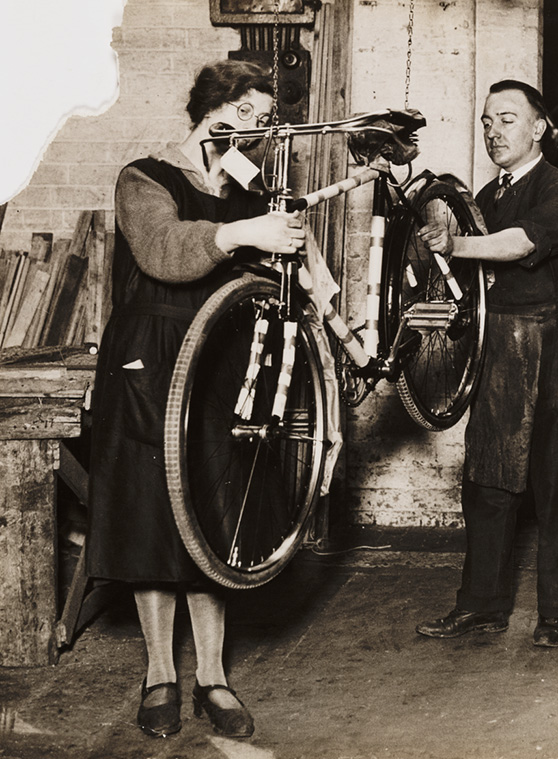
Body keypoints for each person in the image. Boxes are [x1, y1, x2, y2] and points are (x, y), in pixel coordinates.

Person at [87, 60, 307, 738]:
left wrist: (325, 301)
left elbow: (286, 262)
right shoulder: (145, 176)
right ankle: (160, 672)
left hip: (222, 359)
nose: (260, 132)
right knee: (152, 515)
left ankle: (212, 674)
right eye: (251, 116)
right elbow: (160, 250)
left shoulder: (248, 187)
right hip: (149, 360)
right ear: (217, 111)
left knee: (215, 517)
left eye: (267, 121)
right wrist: (243, 234)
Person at [415, 80, 558, 648]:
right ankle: (482, 607)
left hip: (553, 344)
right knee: (487, 479)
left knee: (556, 481)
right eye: (488, 120)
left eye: (508, 119)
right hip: (498, 347)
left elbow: (518, 245)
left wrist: (457, 246)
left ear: (539, 128)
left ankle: (557, 611)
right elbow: (471, 282)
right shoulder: (486, 199)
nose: (493, 130)